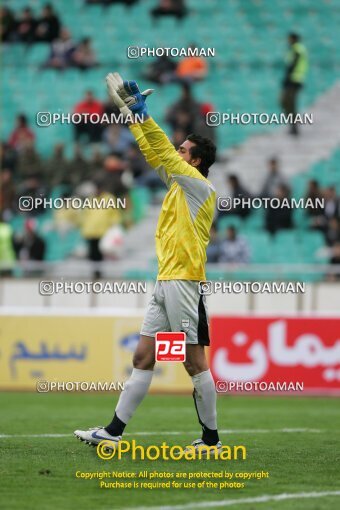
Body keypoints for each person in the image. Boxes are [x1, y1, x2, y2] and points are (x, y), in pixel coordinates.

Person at [74, 72, 221, 456]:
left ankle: (211, 441)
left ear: (197, 160)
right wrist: (134, 116)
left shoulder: (199, 186)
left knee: (192, 362)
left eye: (185, 150)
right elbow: (155, 152)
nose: (178, 151)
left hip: (184, 282)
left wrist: (144, 113)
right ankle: (113, 432)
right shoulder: (179, 184)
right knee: (143, 355)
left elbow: (166, 154)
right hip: (165, 281)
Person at [280, 33, 308, 135]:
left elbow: (292, 65)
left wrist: (287, 78)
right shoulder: (295, 49)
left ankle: (294, 127)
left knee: (289, 103)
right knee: (286, 103)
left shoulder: (297, 49)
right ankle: (293, 126)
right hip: (293, 80)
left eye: (289, 39)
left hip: (294, 81)